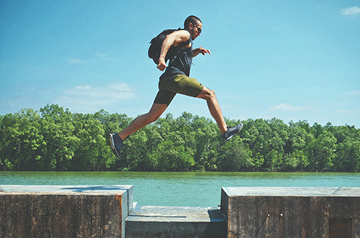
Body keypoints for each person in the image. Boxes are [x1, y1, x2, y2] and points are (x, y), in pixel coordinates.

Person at [110, 15, 243, 158]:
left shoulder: (186, 42)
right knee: (210, 94)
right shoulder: (185, 34)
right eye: (199, 30)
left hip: (167, 81)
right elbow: (169, 38)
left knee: (152, 116)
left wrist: (196, 51)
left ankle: (119, 137)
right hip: (175, 78)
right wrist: (161, 58)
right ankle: (225, 131)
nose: (199, 33)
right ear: (191, 26)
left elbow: (184, 56)